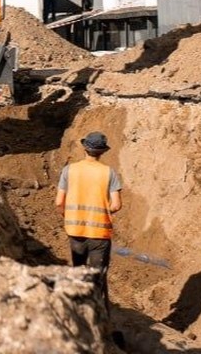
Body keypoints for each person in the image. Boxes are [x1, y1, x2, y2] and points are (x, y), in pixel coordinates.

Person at [55, 131, 123, 310]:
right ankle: (97, 315)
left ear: (85, 148)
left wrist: (70, 216)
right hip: (99, 234)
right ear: (102, 152)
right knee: (97, 278)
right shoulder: (109, 173)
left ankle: (78, 310)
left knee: (79, 272)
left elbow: (58, 202)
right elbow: (116, 205)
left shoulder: (69, 170)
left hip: (75, 231)